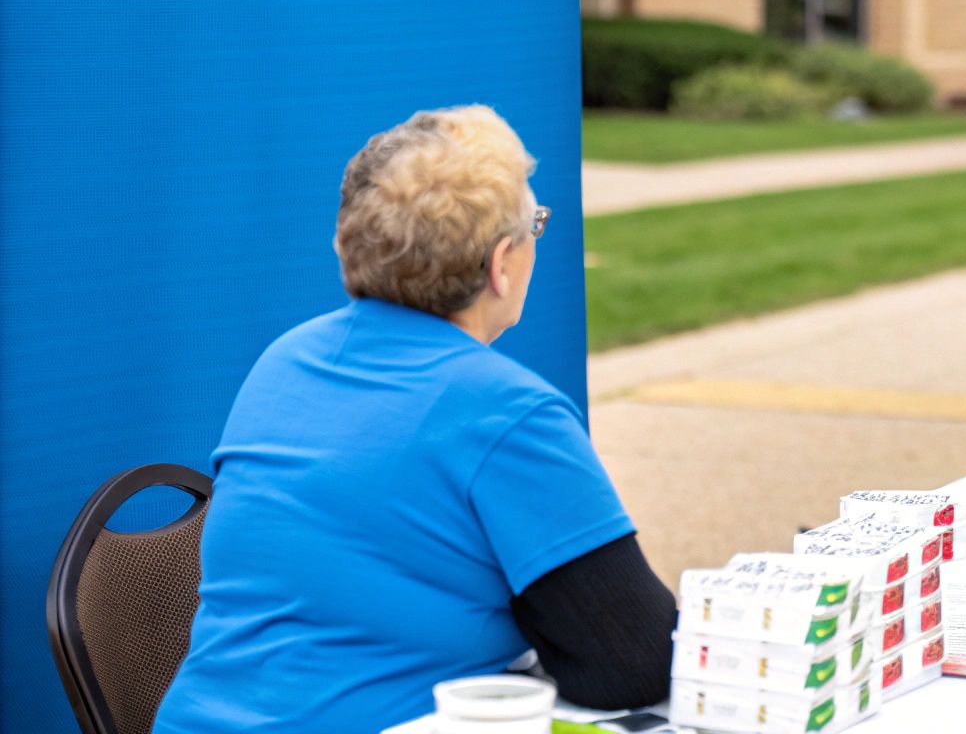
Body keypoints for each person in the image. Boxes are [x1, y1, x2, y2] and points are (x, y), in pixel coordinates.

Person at [155, 106, 674, 734]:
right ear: (500, 264)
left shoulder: (285, 360)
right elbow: (631, 662)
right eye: (536, 223)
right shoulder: (507, 411)